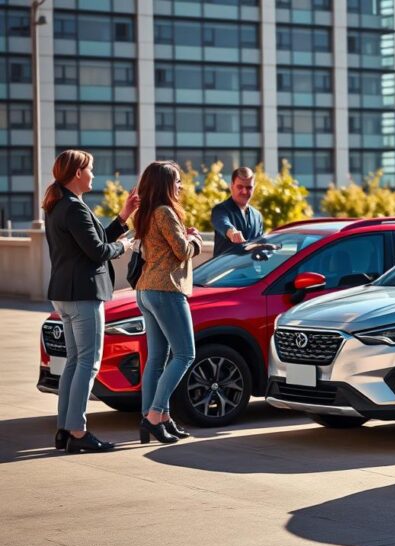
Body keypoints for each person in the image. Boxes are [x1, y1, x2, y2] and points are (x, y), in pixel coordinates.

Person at [44, 149, 138, 453]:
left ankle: (64, 430)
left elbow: (92, 241)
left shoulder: (61, 206)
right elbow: (98, 252)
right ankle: (78, 431)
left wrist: (124, 216)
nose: (94, 174)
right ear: (77, 174)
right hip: (83, 294)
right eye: (90, 169)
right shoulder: (74, 208)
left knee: (74, 362)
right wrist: (123, 246)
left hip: (65, 294)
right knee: (88, 362)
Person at [133, 161, 204, 444]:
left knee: (157, 359)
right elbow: (182, 250)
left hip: (146, 290)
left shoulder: (147, 212)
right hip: (166, 289)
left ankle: (157, 418)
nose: (181, 186)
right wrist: (195, 238)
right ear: (165, 184)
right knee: (185, 354)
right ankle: (154, 415)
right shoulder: (164, 212)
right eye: (177, 181)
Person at [211, 167, 263, 256]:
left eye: (249, 187)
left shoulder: (257, 215)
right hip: (226, 269)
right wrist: (232, 232)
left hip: (251, 268)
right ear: (232, 186)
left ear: (254, 188)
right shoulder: (220, 210)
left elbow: (259, 244)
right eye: (240, 187)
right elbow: (222, 223)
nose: (244, 191)